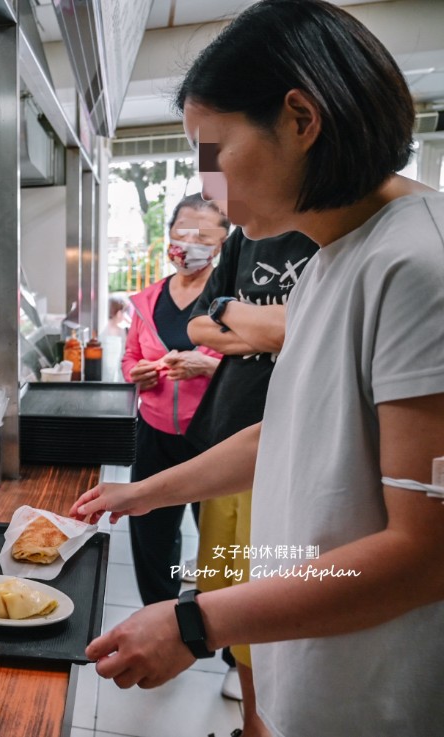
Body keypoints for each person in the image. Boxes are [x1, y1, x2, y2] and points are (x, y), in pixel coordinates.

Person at [70, 3, 444, 736]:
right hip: (317, 675)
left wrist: (193, 621)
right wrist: (147, 492)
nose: (206, 184)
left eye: (213, 151)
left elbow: (425, 553)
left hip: (382, 697)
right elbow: (295, 431)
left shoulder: (417, 265)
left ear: (300, 118)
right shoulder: (333, 261)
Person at [184, 226, 317, 711]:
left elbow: (294, 328)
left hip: (287, 442)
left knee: (265, 572)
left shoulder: (326, 235)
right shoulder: (246, 239)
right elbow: (198, 327)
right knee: (223, 568)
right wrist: (248, 322)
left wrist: (230, 313)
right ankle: (243, 676)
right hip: (226, 432)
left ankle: (264, 698)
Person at [122, 194, 224, 607]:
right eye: (182, 231)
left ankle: (220, 622)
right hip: (154, 433)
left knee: (219, 533)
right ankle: (159, 614)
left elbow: (254, 363)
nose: (190, 242)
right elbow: (130, 357)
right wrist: (136, 374)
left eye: (203, 234)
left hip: (215, 436)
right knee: (152, 532)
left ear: (222, 244)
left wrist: (208, 366)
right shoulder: (148, 299)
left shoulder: (231, 298)